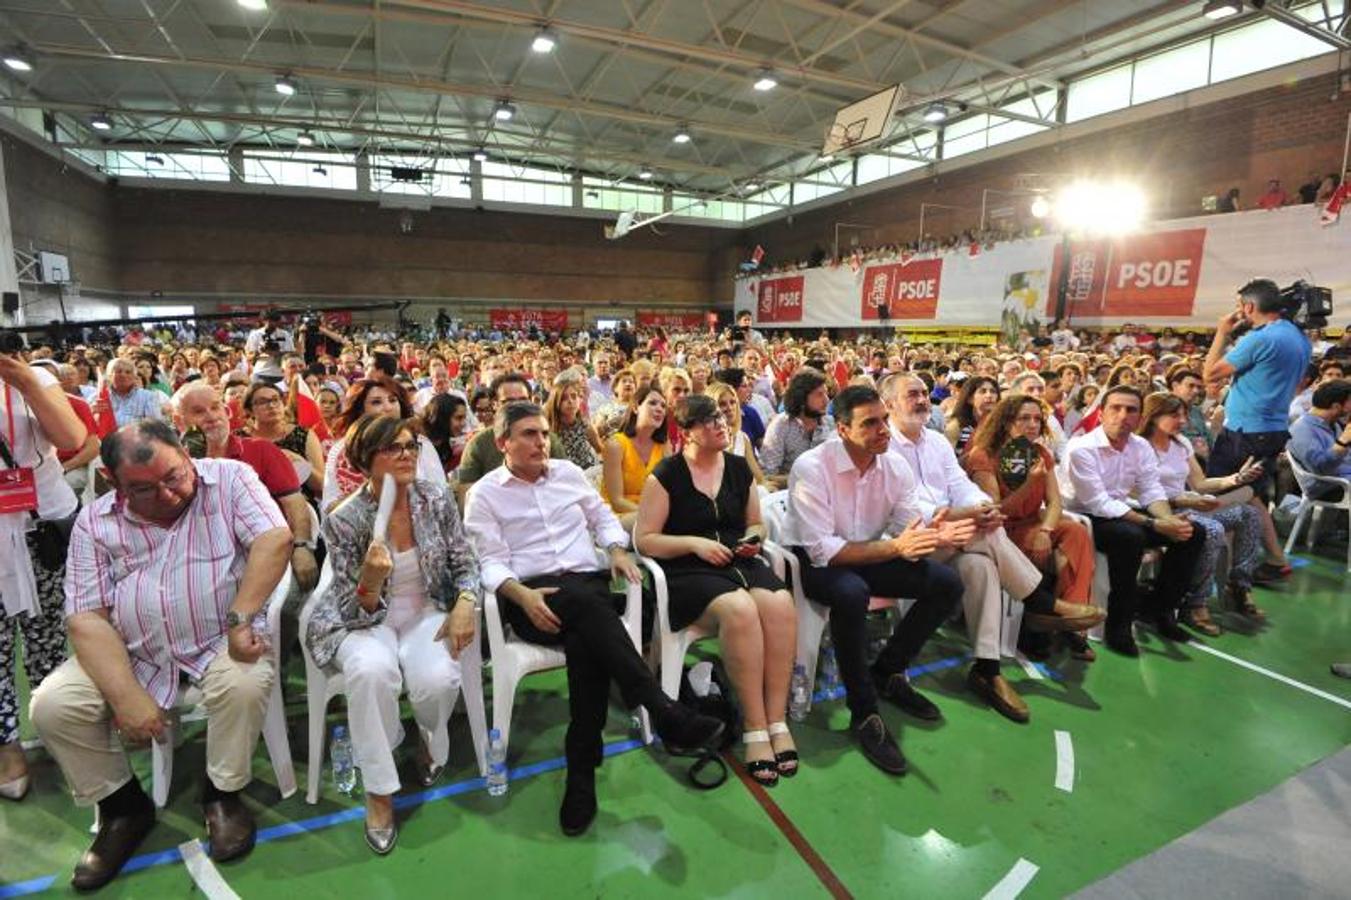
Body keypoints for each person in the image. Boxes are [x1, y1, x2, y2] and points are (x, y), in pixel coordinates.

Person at [31, 421, 291, 890]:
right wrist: (126, 695)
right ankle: (123, 808)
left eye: (174, 477)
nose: (167, 495)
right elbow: (86, 617)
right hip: (134, 649)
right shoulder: (96, 520)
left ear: (186, 455)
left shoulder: (229, 479)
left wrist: (240, 620)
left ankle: (223, 793)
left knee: (245, 682)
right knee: (53, 706)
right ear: (113, 482)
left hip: (217, 640)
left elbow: (274, 540)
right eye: (144, 489)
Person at [464, 402, 725, 836]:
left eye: (544, 433)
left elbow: (602, 516)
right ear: (502, 442)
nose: (540, 442)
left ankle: (582, 770)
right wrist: (520, 595)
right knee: (592, 611)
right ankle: (660, 707)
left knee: (589, 633)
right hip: (534, 596)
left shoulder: (567, 474)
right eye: (528, 434)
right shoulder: (486, 494)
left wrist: (617, 549)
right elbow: (488, 562)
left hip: (587, 585)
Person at [304, 415, 480, 854]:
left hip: (426, 609)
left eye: (411, 446)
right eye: (393, 448)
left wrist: (465, 602)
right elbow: (350, 607)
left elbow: (465, 561)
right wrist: (369, 582)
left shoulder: (435, 497)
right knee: (369, 672)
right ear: (366, 460)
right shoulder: (344, 519)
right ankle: (379, 791)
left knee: (438, 680)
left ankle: (424, 736)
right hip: (364, 621)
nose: (406, 455)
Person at [883, 375, 1099, 722]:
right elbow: (903, 511)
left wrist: (981, 506)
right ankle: (1040, 602)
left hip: (956, 535)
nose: (923, 400)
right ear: (889, 404)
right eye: (912, 394)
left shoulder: (936, 442)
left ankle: (987, 668)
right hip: (911, 539)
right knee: (985, 532)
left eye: (925, 393)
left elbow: (959, 486)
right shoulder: (885, 445)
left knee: (980, 563)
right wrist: (969, 514)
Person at [783, 385, 972, 774]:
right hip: (819, 563)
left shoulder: (894, 466)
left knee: (946, 583)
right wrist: (899, 547)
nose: (883, 430)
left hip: (869, 551)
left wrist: (933, 533)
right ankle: (863, 711)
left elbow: (906, 527)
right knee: (852, 593)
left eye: (884, 419)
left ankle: (888, 670)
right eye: (869, 423)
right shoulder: (812, 467)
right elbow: (824, 551)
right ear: (842, 429)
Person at [634, 395, 797, 786]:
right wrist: (694, 543)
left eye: (722, 417)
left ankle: (777, 719)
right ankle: (755, 728)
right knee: (740, 610)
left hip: (737, 561)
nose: (720, 424)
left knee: (779, 603)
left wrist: (754, 539)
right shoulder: (667, 474)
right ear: (686, 432)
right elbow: (645, 540)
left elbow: (757, 523)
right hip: (687, 570)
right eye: (708, 421)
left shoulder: (740, 469)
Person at [1059, 386, 1206, 656]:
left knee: (1193, 532)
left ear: (1140, 417)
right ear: (1102, 413)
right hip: (1083, 518)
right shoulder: (1082, 448)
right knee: (1130, 537)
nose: (1123, 415)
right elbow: (1099, 503)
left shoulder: (1140, 447)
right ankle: (1119, 626)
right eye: (1116, 408)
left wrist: (1168, 520)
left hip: (1124, 511)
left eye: (1131, 410)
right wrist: (1152, 524)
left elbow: (1151, 490)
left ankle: (1161, 610)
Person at [0, 351, 87, 803]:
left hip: (41, 526)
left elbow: (72, 436)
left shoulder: (30, 378)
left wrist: (24, 381)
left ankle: (56, 723)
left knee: (48, 638)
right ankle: (6, 744)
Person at [964, 393, 1099, 661]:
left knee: (1075, 532)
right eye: (1024, 418)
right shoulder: (983, 456)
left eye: (1038, 419)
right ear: (1005, 422)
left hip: (1033, 525)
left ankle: (1071, 617)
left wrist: (1046, 531)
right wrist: (1028, 483)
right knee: (1062, 555)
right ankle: (1057, 619)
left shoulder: (1040, 453)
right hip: (999, 532)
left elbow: (1054, 503)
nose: (1033, 424)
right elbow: (996, 511)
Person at [1138, 393, 1267, 634]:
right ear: (1154, 416)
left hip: (1189, 505)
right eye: (1174, 415)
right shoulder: (1140, 446)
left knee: (1248, 514)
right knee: (1212, 529)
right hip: (1161, 510)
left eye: (1184, 415)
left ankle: (1239, 585)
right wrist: (1182, 501)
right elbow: (1137, 494)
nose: (1183, 421)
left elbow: (1200, 484)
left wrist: (1235, 479)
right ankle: (1195, 602)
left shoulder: (1180, 444)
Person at [172, 382, 319, 592]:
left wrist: (302, 546)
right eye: (198, 411)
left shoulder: (261, 450)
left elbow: (295, 503)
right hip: (196, 564)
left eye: (215, 407)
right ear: (178, 421)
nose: (212, 416)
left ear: (227, 411)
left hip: (260, 560)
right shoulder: (172, 462)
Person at [324, 375, 445, 513]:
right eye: (376, 402)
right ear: (360, 410)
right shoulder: (342, 450)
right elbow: (330, 507)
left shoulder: (419, 443)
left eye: (393, 400)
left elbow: (440, 494)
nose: (388, 408)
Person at [600, 385, 670, 530]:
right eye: (652, 403)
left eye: (663, 406)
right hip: (619, 516)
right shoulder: (616, 445)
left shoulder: (664, 446)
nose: (659, 409)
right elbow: (616, 501)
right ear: (636, 408)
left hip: (653, 514)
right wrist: (652, 514)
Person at [240, 381, 326, 498]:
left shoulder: (303, 435)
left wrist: (301, 463)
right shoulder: (239, 440)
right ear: (249, 410)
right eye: (262, 402)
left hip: (301, 504)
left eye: (276, 399)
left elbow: (321, 485)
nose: (271, 405)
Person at [760, 368, 833, 490]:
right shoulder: (781, 426)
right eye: (819, 395)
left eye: (826, 393)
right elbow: (768, 476)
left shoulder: (831, 423)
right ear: (802, 399)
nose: (826, 400)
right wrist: (806, 479)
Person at [1288, 379, 1351, 490]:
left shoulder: (1332, 423)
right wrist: (1342, 442)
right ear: (1336, 406)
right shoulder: (1301, 429)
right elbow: (1320, 468)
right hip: (1329, 487)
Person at [706, 381, 766, 485]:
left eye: (733, 402)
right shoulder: (706, 442)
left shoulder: (742, 438)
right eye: (722, 404)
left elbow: (758, 478)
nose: (729, 408)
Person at [544, 377, 603, 470]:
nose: (570, 401)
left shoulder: (586, 425)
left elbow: (600, 451)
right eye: (563, 398)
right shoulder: (547, 429)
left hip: (587, 474)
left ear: (580, 399)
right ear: (555, 402)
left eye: (574, 396)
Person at [96, 358, 166, 427]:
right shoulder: (99, 397)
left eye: (128, 372)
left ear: (134, 376)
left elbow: (155, 426)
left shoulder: (147, 397)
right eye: (118, 371)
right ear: (109, 375)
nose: (123, 375)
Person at [944, 375, 999, 455]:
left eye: (993, 391)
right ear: (970, 398)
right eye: (983, 391)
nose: (989, 395)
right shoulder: (956, 427)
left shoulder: (1002, 424)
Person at [421, 393, 471, 474]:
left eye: (464, 418)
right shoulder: (421, 445)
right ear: (442, 417)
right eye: (458, 418)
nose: (463, 423)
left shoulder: (442, 442)